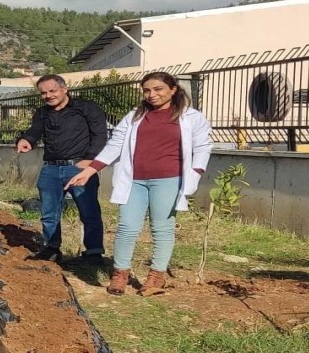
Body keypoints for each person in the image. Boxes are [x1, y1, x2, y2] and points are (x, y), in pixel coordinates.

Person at [66, 72, 212, 296]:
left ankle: (156, 276)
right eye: (147, 90)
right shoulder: (135, 115)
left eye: (158, 89)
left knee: (162, 228)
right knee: (126, 227)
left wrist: (196, 172)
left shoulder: (190, 117)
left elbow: (202, 146)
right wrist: (91, 170)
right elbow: (115, 144)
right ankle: (120, 273)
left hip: (169, 179)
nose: (152, 94)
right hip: (134, 180)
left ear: (173, 90)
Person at [16, 74, 108, 264]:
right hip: (50, 169)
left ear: (64, 89)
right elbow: (34, 131)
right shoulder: (42, 113)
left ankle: (94, 253)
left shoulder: (86, 108)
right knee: (49, 212)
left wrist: (89, 160)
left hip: (79, 168)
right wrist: (26, 140)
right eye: (43, 93)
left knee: (88, 211)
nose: (48, 96)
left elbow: (100, 136)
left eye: (52, 91)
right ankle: (52, 248)